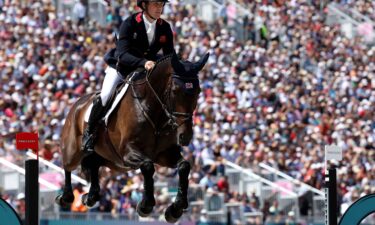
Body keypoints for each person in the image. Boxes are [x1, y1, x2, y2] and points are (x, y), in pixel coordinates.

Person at [81, 0, 175, 154]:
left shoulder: (164, 27)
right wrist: (144, 62)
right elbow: (122, 54)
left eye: (161, 5)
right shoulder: (129, 23)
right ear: (144, 5)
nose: (160, 8)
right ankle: (89, 133)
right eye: (156, 4)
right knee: (105, 95)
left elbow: (169, 56)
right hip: (121, 69)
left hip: (145, 72)